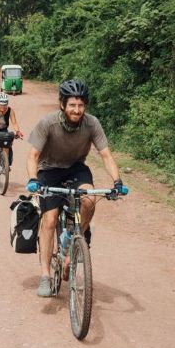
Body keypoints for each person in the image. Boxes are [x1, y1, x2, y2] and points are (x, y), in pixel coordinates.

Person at [25, 79, 125, 297]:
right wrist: (34, 179)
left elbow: (106, 155)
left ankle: (73, 240)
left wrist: (117, 182)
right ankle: (45, 275)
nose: (77, 110)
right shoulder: (48, 123)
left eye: (80, 105)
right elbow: (33, 156)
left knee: (90, 199)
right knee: (50, 219)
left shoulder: (92, 124)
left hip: (76, 168)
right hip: (49, 170)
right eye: (72, 105)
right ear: (62, 104)